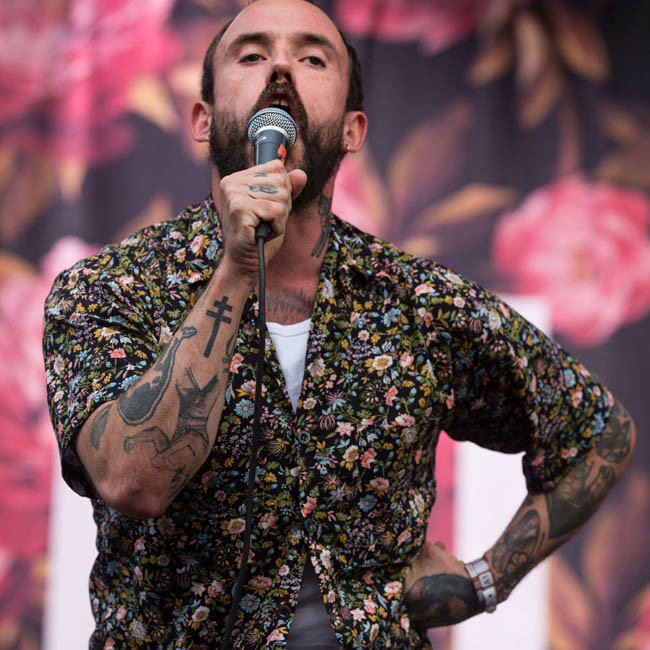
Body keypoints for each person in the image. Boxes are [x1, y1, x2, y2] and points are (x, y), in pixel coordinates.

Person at [43, 0, 636, 648]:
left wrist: (487, 580)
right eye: (251, 54)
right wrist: (237, 269)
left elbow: (596, 430)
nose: (279, 68)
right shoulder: (110, 289)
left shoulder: (415, 301)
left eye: (311, 57)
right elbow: (134, 481)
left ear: (353, 130)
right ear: (202, 120)